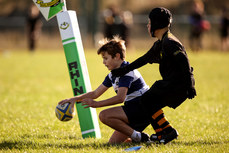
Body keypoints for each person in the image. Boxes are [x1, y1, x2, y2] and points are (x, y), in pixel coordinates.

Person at [112, 7, 197, 144]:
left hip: (179, 84)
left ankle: (167, 131)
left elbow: (183, 61)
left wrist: (189, 86)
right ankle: (162, 133)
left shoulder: (170, 42)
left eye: (150, 22)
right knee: (149, 100)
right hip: (173, 83)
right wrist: (124, 70)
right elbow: (144, 59)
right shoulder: (161, 43)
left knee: (147, 100)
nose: (148, 25)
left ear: (156, 24)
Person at [58, 36, 151, 144]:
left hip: (142, 108)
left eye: (106, 58)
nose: (103, 62)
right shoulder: (112, 75)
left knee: (104, 115)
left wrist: (97, 104)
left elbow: (120, 98)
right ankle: (140, 139)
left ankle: (139, 137)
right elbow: (95, 93)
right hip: (132, 110)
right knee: (113, 143)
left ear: (117, 56)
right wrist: (74, 99)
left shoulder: (127, 71)